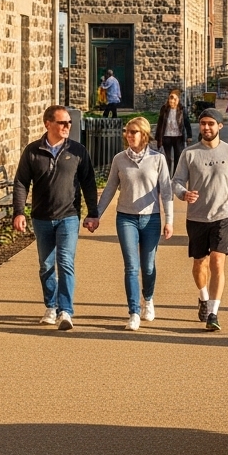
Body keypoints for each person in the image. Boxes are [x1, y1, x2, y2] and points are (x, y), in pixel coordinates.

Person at [12, 105, 100, 331]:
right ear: (48, 124)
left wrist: (93, 213)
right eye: (62, 122)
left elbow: (89, 182)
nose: (67, 126)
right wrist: (19, 212)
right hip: (41, 217)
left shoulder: (77, 151)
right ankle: (51, 306)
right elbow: (21, 182)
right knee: (46, 265)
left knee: (66, 262)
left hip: (68, 216)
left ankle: (66, 311)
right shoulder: (33, 151)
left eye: (69, 122)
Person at [172, 109, 228, 332]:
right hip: (197, 216)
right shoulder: (189, 154)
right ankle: (203, 297)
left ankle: (213, 313)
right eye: (203, 123)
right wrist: (183, 194)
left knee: (217, 261)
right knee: (200, 263)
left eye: (210, 124)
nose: (206, 127)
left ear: (219, 126)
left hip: (223, 215)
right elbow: (176, 181)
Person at [94, 116, 173, 331]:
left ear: (144, 135)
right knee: (131, 266)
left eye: (133, 132)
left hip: (151, 218)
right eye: (127, 132)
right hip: (126, 217)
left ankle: (148, 299)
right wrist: (96, 215)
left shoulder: (157, 159)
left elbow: (166, 191)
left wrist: (169, 220)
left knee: (148, 266)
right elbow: (110, 188)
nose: (129, 135)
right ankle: (134, 312)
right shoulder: (119, 159)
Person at [157, 89, 192, 172]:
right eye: (171, 98)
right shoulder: (164, 109)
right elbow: (160, 123)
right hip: (166, 136)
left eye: (175, 99)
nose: (172, 101)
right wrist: (158, 138)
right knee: (167, 158)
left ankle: (176, 177)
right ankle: (167, 176)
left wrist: (189, 136)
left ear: (178, 99)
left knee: (178, 157)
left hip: (178, 137)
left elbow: (187, 123)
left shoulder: (182, 109)